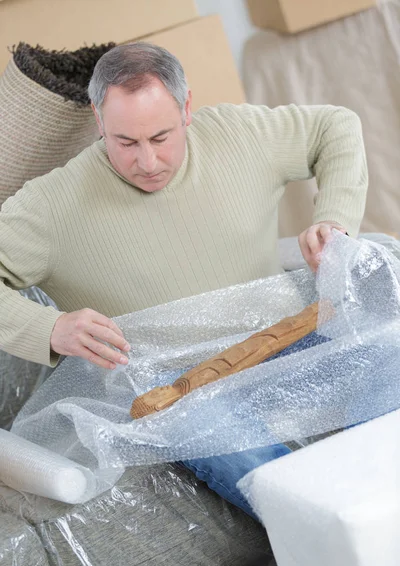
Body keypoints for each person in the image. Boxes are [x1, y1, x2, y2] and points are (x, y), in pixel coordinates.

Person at [0, 43, 368, 518]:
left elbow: (334, 125)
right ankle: (341, 537)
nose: (148, 162)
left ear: (187, 107)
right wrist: (47, 328)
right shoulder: (52, 206)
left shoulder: (237, 134)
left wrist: (333, 217)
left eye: (161, 137)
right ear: (98, 121)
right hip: (180, 392)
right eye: (126, 143)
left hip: (286, 348)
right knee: (247, 456)